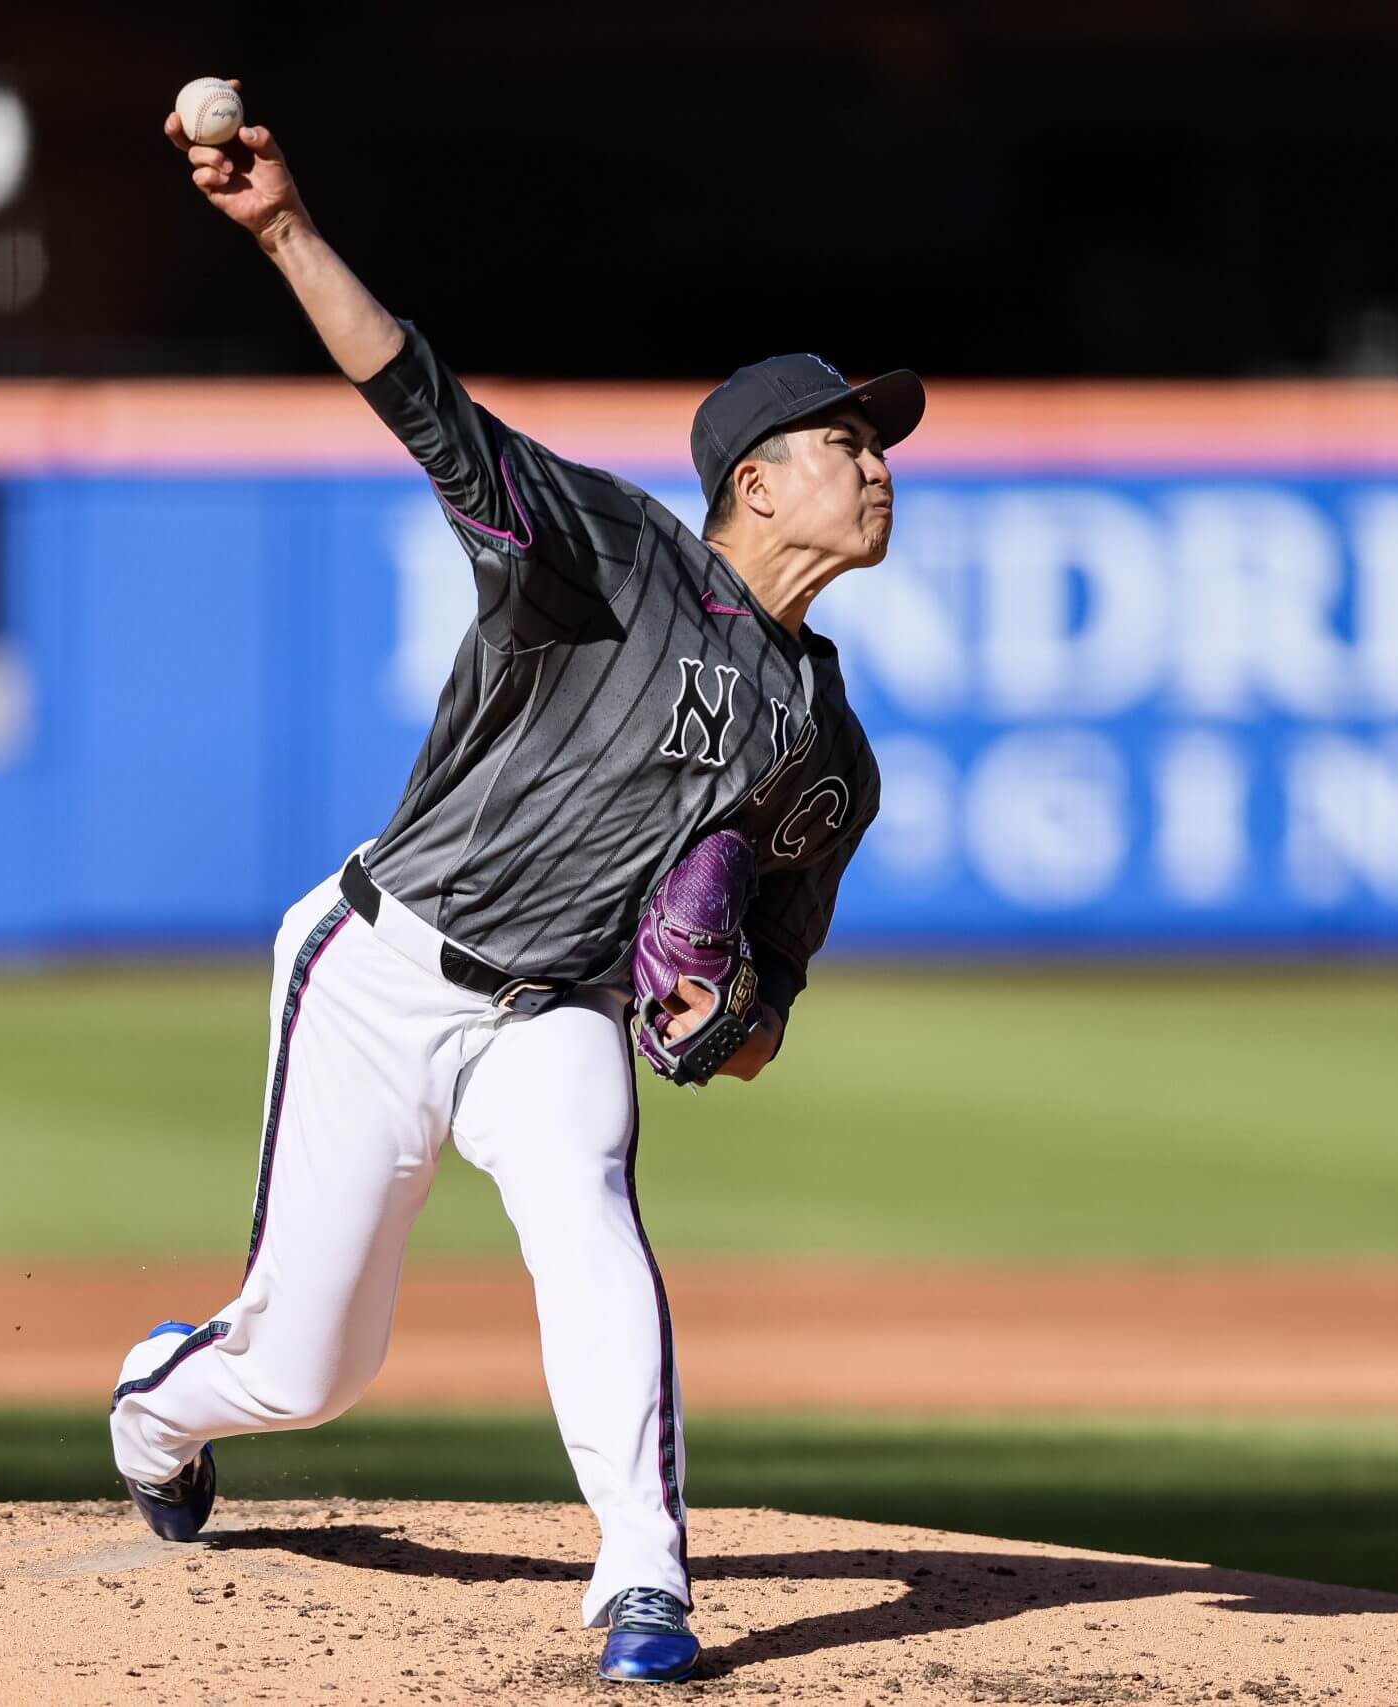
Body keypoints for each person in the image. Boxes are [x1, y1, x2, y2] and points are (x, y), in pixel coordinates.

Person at [105, 89, 914, 1686]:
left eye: (875, 440)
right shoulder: (604, 549)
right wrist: (281, 228)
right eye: (843, 440)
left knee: (589, 1208)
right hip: (384, 965)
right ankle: (158, 1399)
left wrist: (724, 1017)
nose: (875, 461)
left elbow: (762, 1008)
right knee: (306, 1370)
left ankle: (643, 1580)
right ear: (753, 481)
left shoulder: (829, 751)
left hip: (553, 1009)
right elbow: (419, 397)